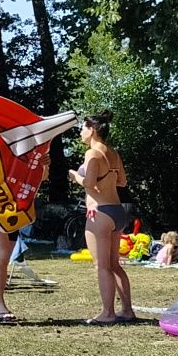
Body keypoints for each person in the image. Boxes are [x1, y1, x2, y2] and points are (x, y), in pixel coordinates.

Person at [71, 113, 135, 324]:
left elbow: (89, 183)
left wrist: (75, 176)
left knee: (102, 266)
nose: (81, 132)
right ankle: (127, 310)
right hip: (117, 211)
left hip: (100, 212)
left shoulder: (92, 153)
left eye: (83, 128)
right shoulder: (114, 153)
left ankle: (107, 313)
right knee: (115, 264)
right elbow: (122, 182)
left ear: (92, 130)